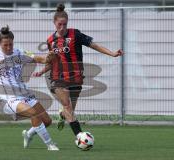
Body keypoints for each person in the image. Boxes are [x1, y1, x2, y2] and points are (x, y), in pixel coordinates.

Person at [33, 4, 124, 137]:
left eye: (65, 24)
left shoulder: (75, 34)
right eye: (60, 24)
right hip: (58, 78)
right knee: (68, 106)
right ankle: (80, 136)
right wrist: (41, 71)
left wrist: (112, 53)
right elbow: (52, 61)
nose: (62, 27)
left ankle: (62, 114)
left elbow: (94, 45)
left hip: (76, 77)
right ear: (54, 23)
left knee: (70, 110)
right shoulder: (50, 40)